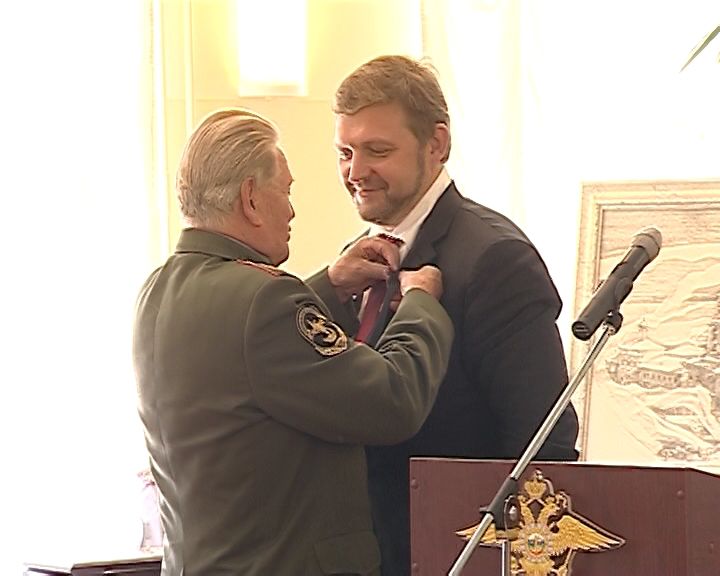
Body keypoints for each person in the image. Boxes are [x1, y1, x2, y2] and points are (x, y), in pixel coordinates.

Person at [132, 108, 455, 576]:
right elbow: (393, 398)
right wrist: (421, 304)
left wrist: (329, 285)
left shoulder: (157, 291)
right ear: (250, 199)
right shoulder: (266, 300)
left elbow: (249, 354)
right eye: (285, 190)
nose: (291, 210)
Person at [331, 55, 580, 575]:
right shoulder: (354, 261)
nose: (356, 172)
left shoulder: (495, 259)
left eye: (378, 151)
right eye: (345, 153)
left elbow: (543, 445)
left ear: (437, 144)